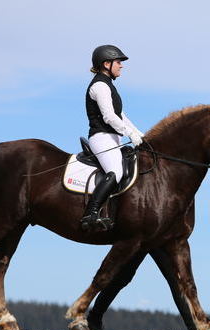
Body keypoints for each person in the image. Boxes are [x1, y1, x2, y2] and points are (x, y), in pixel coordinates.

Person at [81, 45, 144, 231]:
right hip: (101, 137)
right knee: (115, 172)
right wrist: (129, 133)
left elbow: (121, 115)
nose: (121, 66)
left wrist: (140, 134)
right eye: (118, 62)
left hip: (113, 138)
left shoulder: (109, 85)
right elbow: (109, 116)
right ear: (106, 64)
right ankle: (90, 214)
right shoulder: (99, 86)